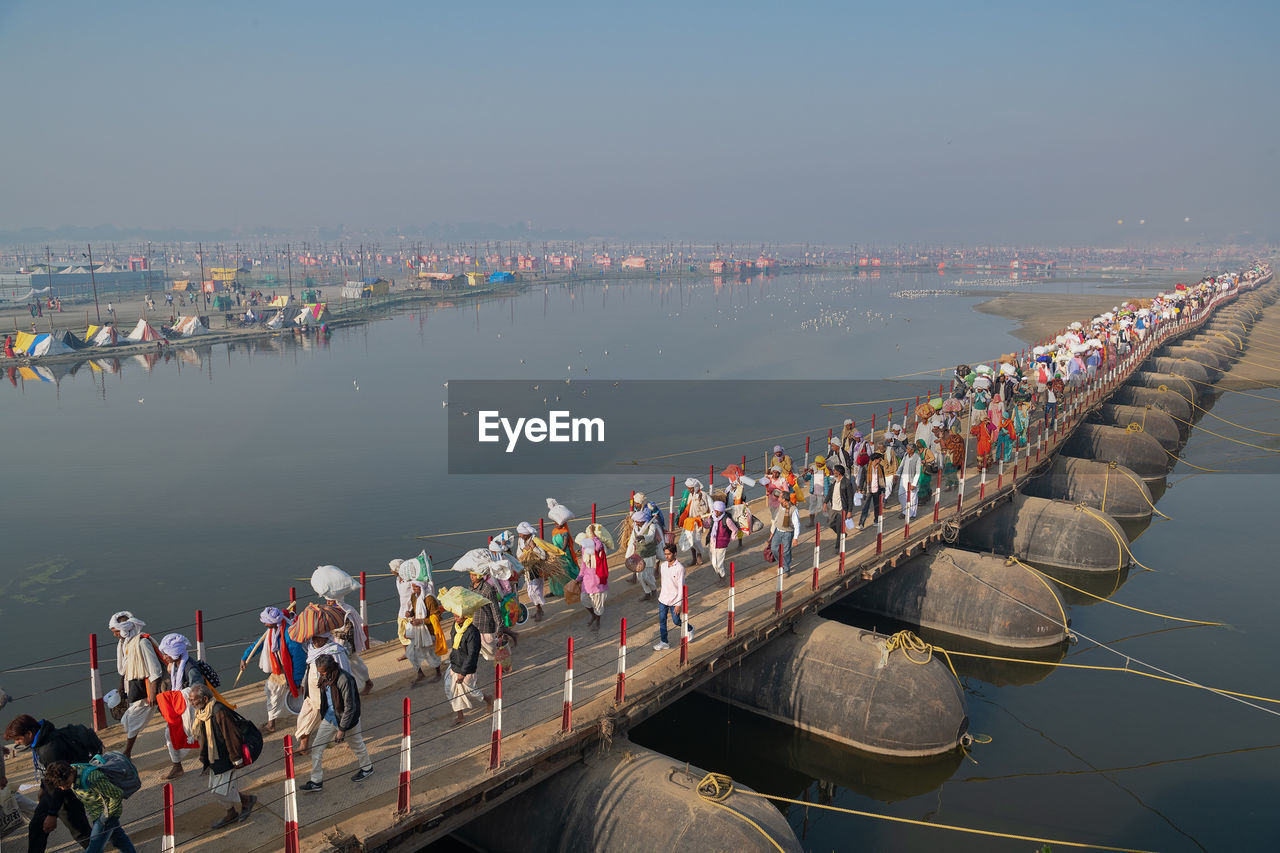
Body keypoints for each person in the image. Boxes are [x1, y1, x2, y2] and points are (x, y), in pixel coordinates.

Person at [4, 714, 99, 853]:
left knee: (80, 832)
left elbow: (59, 785)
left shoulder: (50, 749)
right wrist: (43, 787)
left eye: (18, 738)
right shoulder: (41, 739)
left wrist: (52, 814)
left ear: (29, 733)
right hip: (51, 789)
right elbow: (48, 771)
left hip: (65, 792)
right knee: (36, 827)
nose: (17, 743)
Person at [184, 684, 259, 827]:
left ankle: (246, 801)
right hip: (214, 758)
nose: (191, 703)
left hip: (226, 757)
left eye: (194, 700)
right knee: (218, 788)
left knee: (220, 791)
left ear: (205, 698)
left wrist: (236, 760)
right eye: (190, 700)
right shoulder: (202, 712)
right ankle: (232, 812)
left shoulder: (219, 711)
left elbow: (232, 737)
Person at [299, 655, 373, 792]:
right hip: (329, 718)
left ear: (331, 668)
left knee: (357, 745)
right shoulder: (324, 678)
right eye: (319, 672)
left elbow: (350, 707)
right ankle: (316, 781)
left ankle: (367, 768)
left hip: (347, 720)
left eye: (323, 672)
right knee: (316, 747)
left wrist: (342, 729)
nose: (321, 675)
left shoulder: (345, 679)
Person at [156, 633, 217, 779]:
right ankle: (177, 766)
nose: (164, 657)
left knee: (203, 735)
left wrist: (184, 695)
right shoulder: (176, 665)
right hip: (181, 709)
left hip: (193, 710)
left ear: (174, 653)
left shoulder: (191, 668)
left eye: (166, 654)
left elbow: (197, 691)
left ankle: (209, 764)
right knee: (169, 734)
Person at [41, 761, 134, 853]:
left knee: (93, 849)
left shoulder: (92, 778)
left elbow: (117, 794)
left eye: (66, 783)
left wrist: (105, 818)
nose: (64, 788)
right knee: (119, 841)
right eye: (61, 786)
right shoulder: (73, 770)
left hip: (105, 815)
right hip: (98, 814)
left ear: (71, 771)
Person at [239, 607, 306, 734]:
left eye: (266, 622)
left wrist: (297, 680)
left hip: (288, 672)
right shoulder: (271, 632)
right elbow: (258, 645)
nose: (264, 624)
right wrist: (245, 657)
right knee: (272, 694)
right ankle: (272, 723)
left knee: (283, 696)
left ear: (274, 622)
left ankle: (273, 725)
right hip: (278, 670)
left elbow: (299, 660)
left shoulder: (289, 635)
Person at [108, 611, 162, 760]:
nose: (115, 635)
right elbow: (125, 670)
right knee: (129, 720)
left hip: (145, 691)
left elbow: (154, 669)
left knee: (131, 721)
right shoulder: (125, 644)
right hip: (135, 688)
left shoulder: (142, 642)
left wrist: (152, 692)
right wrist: (121, 689)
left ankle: (127, 752)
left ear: (125, 628)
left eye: (116, 631)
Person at [297, 633, 350, 755]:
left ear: (326, 638)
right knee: (304, 719)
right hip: (313, 695)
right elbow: (309, 668)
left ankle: (351, 742)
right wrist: (304, 684)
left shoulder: (335, 651)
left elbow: (345, 673)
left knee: (341, 719)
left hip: (331, 695)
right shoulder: (311, 650)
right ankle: (303, 746)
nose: (315, 641)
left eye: (318, 638)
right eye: (314, 638)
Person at [444, 604, 494, 726]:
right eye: (454, 616)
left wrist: (463, 672)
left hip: (466, 668)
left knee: (471, 691)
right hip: (454, 663)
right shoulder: (455, 627)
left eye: (458, 616)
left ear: (466, 616)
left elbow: (472, 654)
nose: (455, 618)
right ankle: (460, 716)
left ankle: (488, 699)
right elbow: (454, 643)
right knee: (451, 689)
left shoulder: (473, 632)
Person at [400, 581, 444, 683]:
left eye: (416, 586)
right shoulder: (414, 596)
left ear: (421, 587)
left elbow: (437, 616)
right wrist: (410, 613)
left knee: (431, 652)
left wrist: (422, 621)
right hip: (417, 629)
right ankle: (420, 674)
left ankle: (438, 673)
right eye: (413, 586)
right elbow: (415, 609)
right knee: (411, 652)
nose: (413, 588)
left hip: (429, 631)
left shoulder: (429, 599)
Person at [653, 544, 686, 651]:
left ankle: (689, 629)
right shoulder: (663, 566)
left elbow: (681, 588)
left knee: (676, 621)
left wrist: (678, 604)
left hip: (674, 600)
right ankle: (664, 642)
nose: (666, 556)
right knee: (662, 621)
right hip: (663, 599)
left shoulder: (680, 568)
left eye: (668, 554)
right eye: (665, 554)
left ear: (675, 554)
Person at [623, 508, 660, 600]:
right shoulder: (636, 529)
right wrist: (628, 555)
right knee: (640, 576)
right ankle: (647, 592)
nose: (636, 523)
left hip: (649, 555)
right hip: (639, 555)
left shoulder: (651, 526)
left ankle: (654, 589)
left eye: (637, 522)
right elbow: (632, 541)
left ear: (642, 521)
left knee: (647, 576)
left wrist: (643, 537)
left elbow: (651, 537)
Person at [577, 525, 610, 631]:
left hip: (598, 579)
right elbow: (583, 563)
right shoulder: (584, 547)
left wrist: (594, 537)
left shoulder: (601, 547)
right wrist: (580, 576)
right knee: (584, 599)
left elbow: (598, 547)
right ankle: (593, 615)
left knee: (598, 603)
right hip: (587, 580)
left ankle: (598, 620)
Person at [675, 478, 712, 565]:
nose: (689, 489)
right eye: (688, 488)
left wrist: (700, 501)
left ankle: (699, 555)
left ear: (695, 487)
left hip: (697, 521)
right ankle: (694, 558)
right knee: (690, 539)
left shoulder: (702, 495)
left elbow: (705, 509)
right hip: (689, 521)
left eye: (691, 488)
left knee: (697, 539)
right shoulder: (689, 495)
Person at [702, 501, 739, 581]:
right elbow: (707, 526)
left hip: (721, 545)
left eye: (717, 511)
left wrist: (730, 539)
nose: (716, 512)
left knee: (719, 564)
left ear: (722, 511)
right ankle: (720, 575)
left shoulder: (727, 520)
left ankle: (723, 577)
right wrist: (701, 521)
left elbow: (735, 530)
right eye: (715, 510)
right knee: (714, 563)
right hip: (712, 543)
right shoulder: (711, 517)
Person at [769, 490, 801, 577]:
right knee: (774, 549)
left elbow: (797, 524)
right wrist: (772, 531)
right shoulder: (780, 505)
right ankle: (782, 564)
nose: (778, 498)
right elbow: (777, 518)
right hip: (778, 531)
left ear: (784, 499)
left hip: (787, 533)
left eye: (780, 497)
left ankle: (786, 570)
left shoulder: (793, 510)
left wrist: (795, 538)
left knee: (786, 552)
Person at [857, 452, 887, 530]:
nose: (880, 460)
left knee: (877, 506)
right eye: (879, 459)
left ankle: (876, 521)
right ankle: (861, 523)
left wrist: (883, 491)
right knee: (865, 507)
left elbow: (883, 480)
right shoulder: (866, 468)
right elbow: (862, 479)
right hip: (868, 490)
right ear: (875, 459)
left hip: (877, 490)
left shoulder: (880, 468)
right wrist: (860, 489)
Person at [824, 464, 855, 534]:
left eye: (834, 470)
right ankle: (842, 534)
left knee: (839, 526)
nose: (833, 471)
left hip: (842, 509)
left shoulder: (847, 482)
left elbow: (850, 498)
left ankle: (838, 543)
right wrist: (825, 502)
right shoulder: (833, 481)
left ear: (839, 472)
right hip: (833, 507)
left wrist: (849, 511)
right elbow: (830, 492)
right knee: (830, 524)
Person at [804, 456, 829, 529]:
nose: (818, 465)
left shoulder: (826, 471)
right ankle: (811, 522)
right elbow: (806, 478)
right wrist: (805, 474)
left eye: (820, 463)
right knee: (812, 506)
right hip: (814, 492)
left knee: (826, 507)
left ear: (823, 463)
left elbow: (829, 481)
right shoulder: (812, 469)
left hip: (823, 492)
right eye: (817, 463)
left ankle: (829, 521)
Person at [898, 442, 922, 520]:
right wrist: (897, 474)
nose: (907, 450)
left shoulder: (917, 458)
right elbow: (901, 465)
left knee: (912, 497)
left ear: (913, 450)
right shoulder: (905, 455)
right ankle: (904, 511)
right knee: (901, 495)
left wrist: (914, 484)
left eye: (908, 449)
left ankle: (912, 514)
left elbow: (918, 472)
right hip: (903, 479)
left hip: (912, 480)